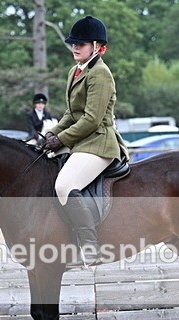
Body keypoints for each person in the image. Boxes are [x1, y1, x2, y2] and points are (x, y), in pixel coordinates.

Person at [43, 15, 128, 265]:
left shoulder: (100, 73)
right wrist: (51, 133)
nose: (75, 47)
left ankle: (91, 248)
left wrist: (60, 140)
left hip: (99, 143)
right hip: (81, 142)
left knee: (64, 186)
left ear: (96, 46)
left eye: (80, 44)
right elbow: (71, 113)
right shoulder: (75, 71)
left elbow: (91, 119)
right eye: (73, 43)